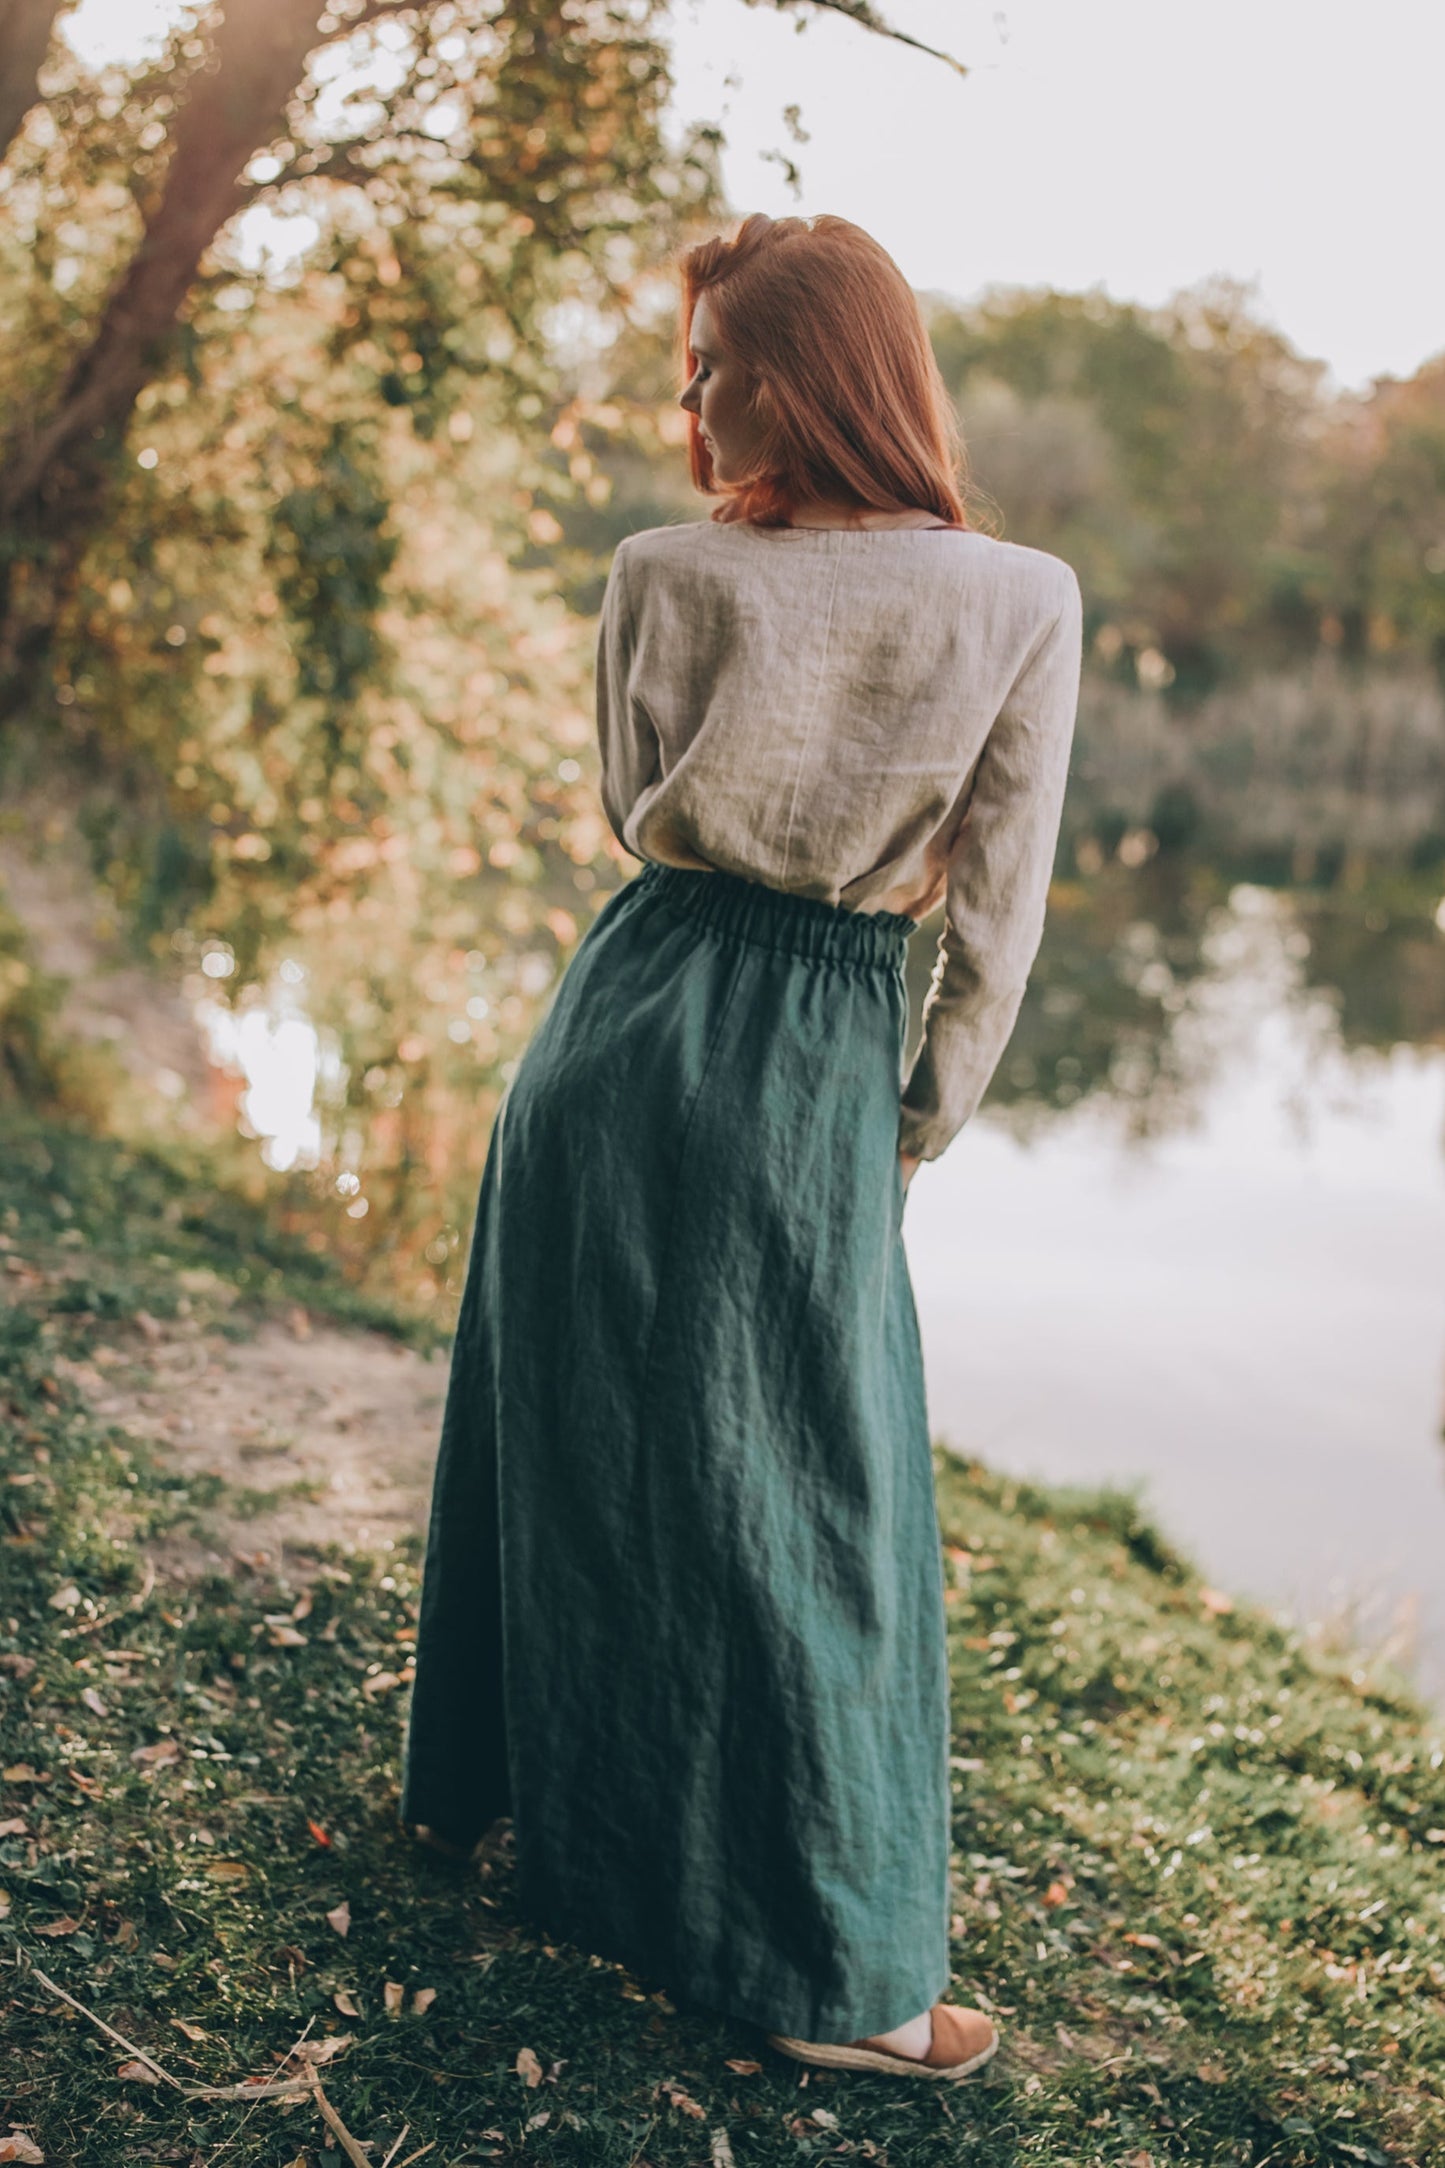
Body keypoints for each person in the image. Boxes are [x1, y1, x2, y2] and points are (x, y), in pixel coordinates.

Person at [401, 212, 1083, 2082]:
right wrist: (913, 1124)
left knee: (596, 1445)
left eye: (711, 364)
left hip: (623, 1021)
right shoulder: (1019, 598)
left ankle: (571, 1843)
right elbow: (993, 929)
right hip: (810, 1047)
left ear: (806, 369)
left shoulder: (662, 576)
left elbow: (641, 805)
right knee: (806, 1510)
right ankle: (843, 1989)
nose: (690, 402)